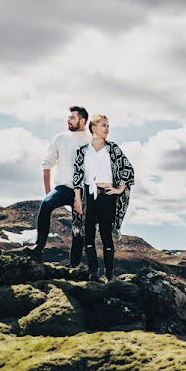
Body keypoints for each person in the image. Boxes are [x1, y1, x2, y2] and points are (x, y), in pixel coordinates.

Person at [24, 106, 91, 264]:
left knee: (78, 227)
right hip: (62, 187)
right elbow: (47, 164)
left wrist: (81, 197)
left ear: (83, 121)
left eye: (72, 118)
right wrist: (48, 191)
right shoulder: (60, 138)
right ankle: (38, 248)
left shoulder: (91, 141)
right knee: (46, 205)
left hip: (83, 192)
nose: (68, 120)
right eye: (68, 118)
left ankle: (73, 265)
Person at [72, 114, 134, 281]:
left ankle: (109, 275)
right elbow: (77, 176)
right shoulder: (83, 151)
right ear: (94, 128)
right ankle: (94, 271)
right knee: (88, 235)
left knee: (106, 235)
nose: (107, 128)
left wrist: (119, 189)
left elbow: (127, 168)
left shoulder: (113, 149)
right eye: (103, 125)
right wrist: (77, 199)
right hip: (88, 197)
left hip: (107, 196)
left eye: (108, 125)